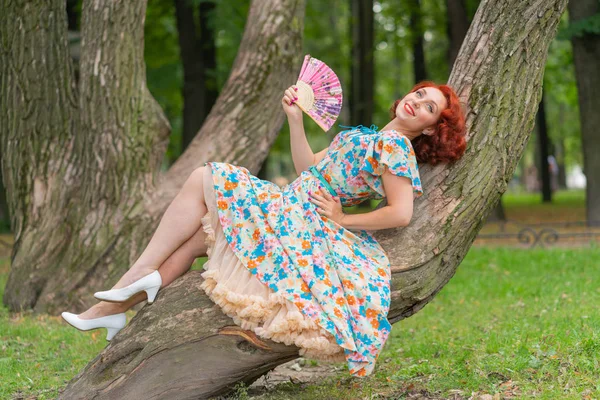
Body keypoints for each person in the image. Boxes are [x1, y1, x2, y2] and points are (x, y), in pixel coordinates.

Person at [61, 80, 467, 377]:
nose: (417, 103)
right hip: (291, 203)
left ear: (431, 128)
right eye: (418, 95)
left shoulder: (395, 149)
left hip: (303, 222)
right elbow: (308, 169)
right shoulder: (362, 137)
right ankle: (111, 311)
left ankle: (130, 281)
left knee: (208, 175)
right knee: (193, 241)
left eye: (429, 107)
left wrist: (343, 219)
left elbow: (401, 213)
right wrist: (294, 120)